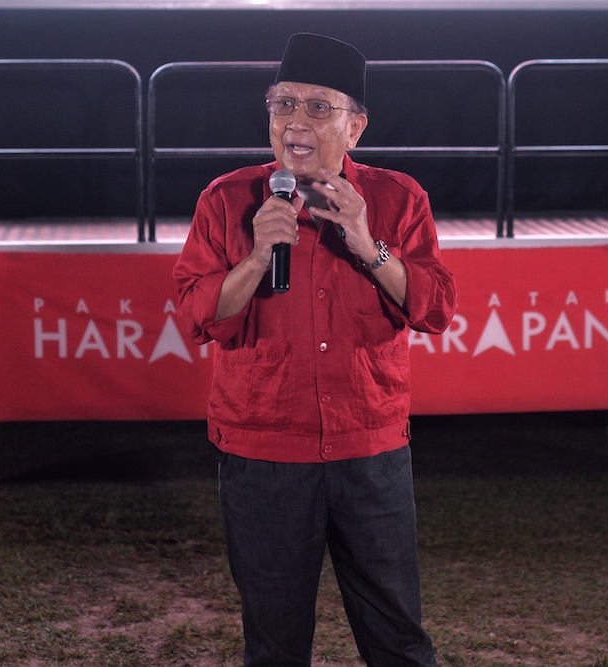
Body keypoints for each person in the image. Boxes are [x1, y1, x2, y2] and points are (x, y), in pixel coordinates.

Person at [173, 32, 456, 666]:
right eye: (283, 105)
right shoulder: (227, 200)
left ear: (356, 127)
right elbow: (198, 317)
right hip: (264, 454)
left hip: (370, 451)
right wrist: (252, 260)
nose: (295, 122)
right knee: (274, 645)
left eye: (318, 108)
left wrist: (367, 243)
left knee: (399, 639)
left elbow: (435, 308)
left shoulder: (397, 199)